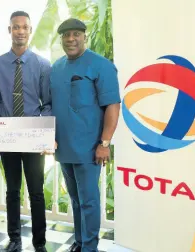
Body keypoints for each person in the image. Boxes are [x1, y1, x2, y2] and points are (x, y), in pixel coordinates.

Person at [50, 18, 121, 252]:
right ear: (61, 39)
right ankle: (80, 243)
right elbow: (51, 105)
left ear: (84, 36)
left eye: (75, 34)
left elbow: (112, 105)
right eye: (66, 35)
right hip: (63, 147)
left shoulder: (101, 65)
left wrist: (104, 143)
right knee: (76, 201)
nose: (71, 39)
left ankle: (90, 247)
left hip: (89, 148)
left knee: (89, 202)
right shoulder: (57, 68)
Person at [0, 11, 51, 252]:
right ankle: (15, 239)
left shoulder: (42, 65)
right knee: (12, 191)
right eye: (16, 27)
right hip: (8, 137)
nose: (20, 31)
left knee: (36, 192)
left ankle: (40, 242)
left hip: (33, 137)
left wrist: (44, 135)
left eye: (24, 27)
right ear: (9, 30)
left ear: (30, 30)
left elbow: (46, 105)